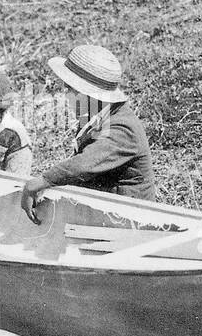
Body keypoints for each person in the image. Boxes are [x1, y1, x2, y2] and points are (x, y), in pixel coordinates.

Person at [21, 44, 156, 224]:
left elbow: (84, 164)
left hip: (129, 221)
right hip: (108, 211)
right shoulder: (97, 116)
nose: (66, 94)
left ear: (88, 93)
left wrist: (41, 181)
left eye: (69, 88)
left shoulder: (122, 128)